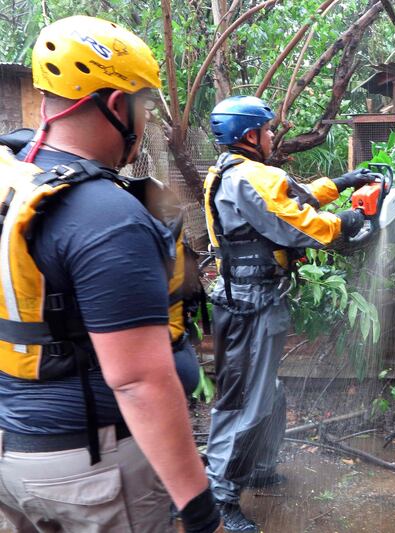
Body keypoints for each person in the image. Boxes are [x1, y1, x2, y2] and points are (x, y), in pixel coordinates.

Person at [0, 16, 219, 533]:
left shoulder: (14, 182)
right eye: (144, 106)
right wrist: (199, 508)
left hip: (13, 454)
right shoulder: (105, 215)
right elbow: (139, 380)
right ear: (117, 104)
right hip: (90, 470)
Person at [203, 95, 380, 532]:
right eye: (266, 131)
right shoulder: (250, 176)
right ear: (250, 136)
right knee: (245, 400)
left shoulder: (233, 171)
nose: (270, 137)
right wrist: (348, 221)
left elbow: (291, 196)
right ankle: (220, 496)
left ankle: (260, 466)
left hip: (249, 297)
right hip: (250, 303)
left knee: (269, 394)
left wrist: (340, 182)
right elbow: (299, 223)